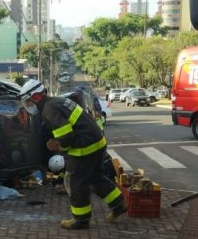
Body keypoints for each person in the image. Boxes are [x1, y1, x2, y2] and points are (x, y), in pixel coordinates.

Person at [18, 79, 126, 229]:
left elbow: (67, 137)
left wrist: (60, 146)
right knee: (96, 178)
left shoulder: (48, 110)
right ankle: (119, 204)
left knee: (76, 183)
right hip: (97, 143)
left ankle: (81, 220)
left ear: (36, 97)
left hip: (84, 148)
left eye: (28, 101)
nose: (28, 105)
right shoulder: (58, 101)